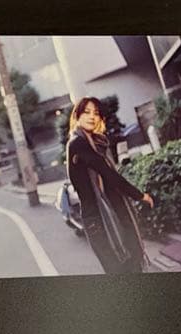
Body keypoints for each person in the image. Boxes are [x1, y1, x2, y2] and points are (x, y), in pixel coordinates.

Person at [66, 97, 155, 273]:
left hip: (115, 211)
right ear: (77, 116)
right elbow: (109, 174)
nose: (92, 117)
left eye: (96, 113)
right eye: (87, 112)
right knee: (121, 268)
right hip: (99, 220)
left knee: (132, 264)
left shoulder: (96, 143)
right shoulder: (78, 143)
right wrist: (140, 195)